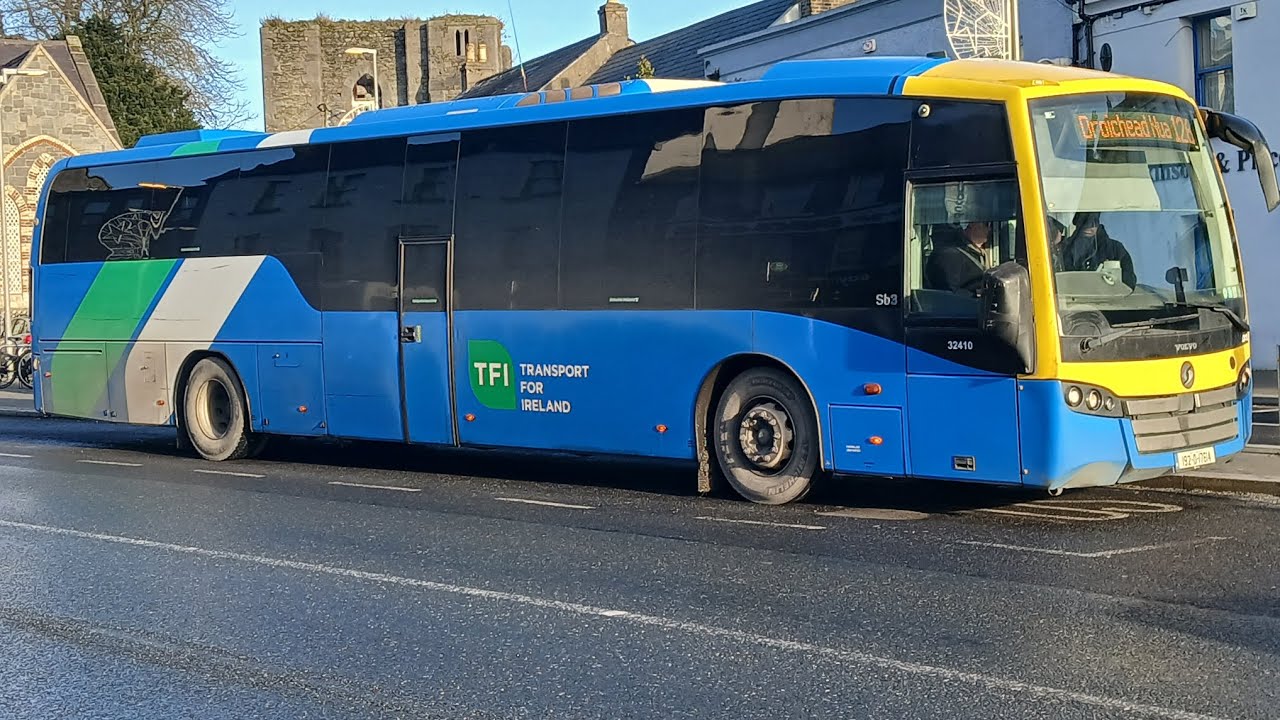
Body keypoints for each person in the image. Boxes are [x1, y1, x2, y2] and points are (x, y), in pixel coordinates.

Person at [1059, 212, 1137, 287]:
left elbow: (1128, 283)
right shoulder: (1065, 249)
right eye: (1085, 221)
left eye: (1095, 221)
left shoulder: (1115, 250)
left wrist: (1110, 278)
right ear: (1078, 223)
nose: (1090, 227)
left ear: (1099, 223)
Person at [925, 220, 992, 296]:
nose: (989, 229)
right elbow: (949, 295)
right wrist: (976, 294)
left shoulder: (979, 253)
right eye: (986, 224)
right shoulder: (949, 255)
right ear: (970, 225)